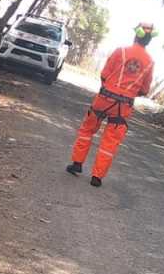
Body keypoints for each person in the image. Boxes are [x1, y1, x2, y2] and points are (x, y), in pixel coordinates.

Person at [66, 22, 156, 187]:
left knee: (87, 130)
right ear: (150, 40)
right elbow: (144, 90)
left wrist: (110, 88)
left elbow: (105, 74)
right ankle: (97, 177)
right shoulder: (149, 62)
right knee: (110, 141)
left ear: (136, 35)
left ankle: (77, 163)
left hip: (104, 99)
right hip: (123, 107)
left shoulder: (120, 51)